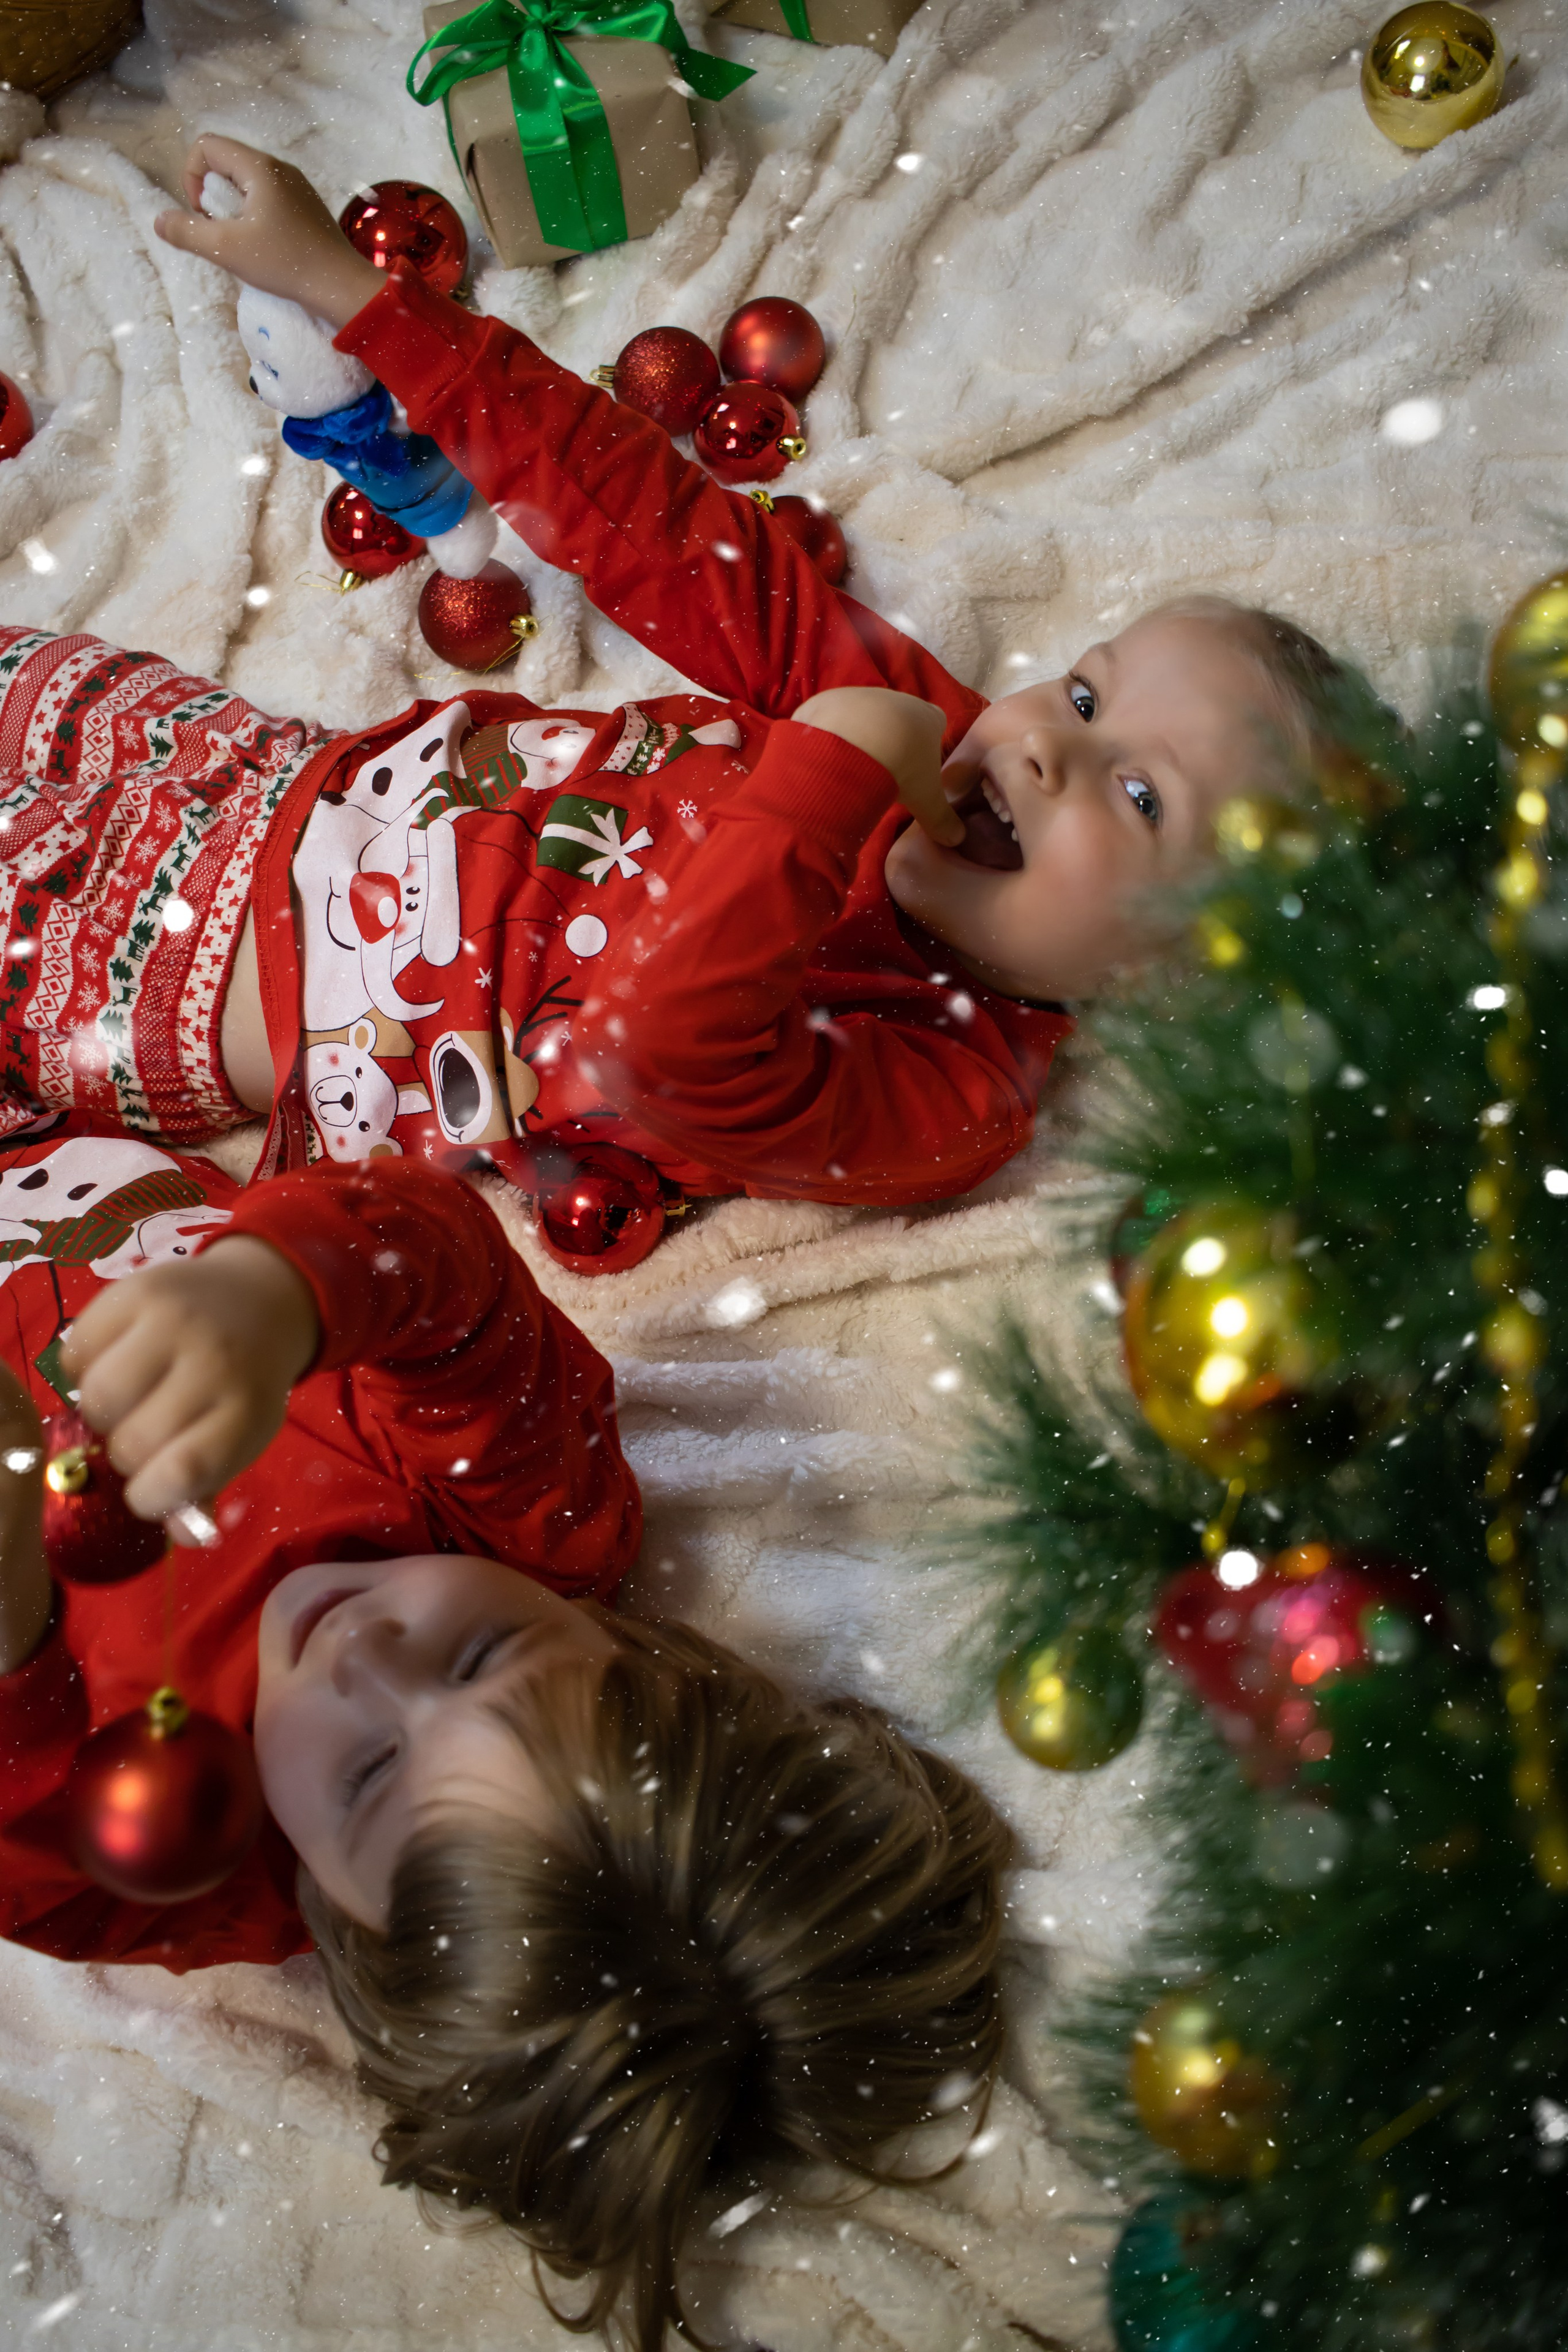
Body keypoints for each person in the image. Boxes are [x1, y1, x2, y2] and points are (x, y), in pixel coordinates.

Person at [0, 137, 1351, 1259]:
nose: (1050, 741)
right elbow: (649, 524)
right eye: (1082, 687)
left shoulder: (950, 1093)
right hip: (246, 765)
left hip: (186, 975)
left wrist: (828, 774)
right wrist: (363, 303)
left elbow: (663, 1048)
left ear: (1173, 984)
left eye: (1137, 793)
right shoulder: (918, 726)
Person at [0, 1123, 1011, 2347]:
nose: (370, 1657)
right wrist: (270, 1296)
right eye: (483, 1657)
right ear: (635, 1646)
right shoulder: (523, 1517)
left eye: (373, 1776)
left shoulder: (178, 1857)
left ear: (345, 1932)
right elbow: (441, 1267)